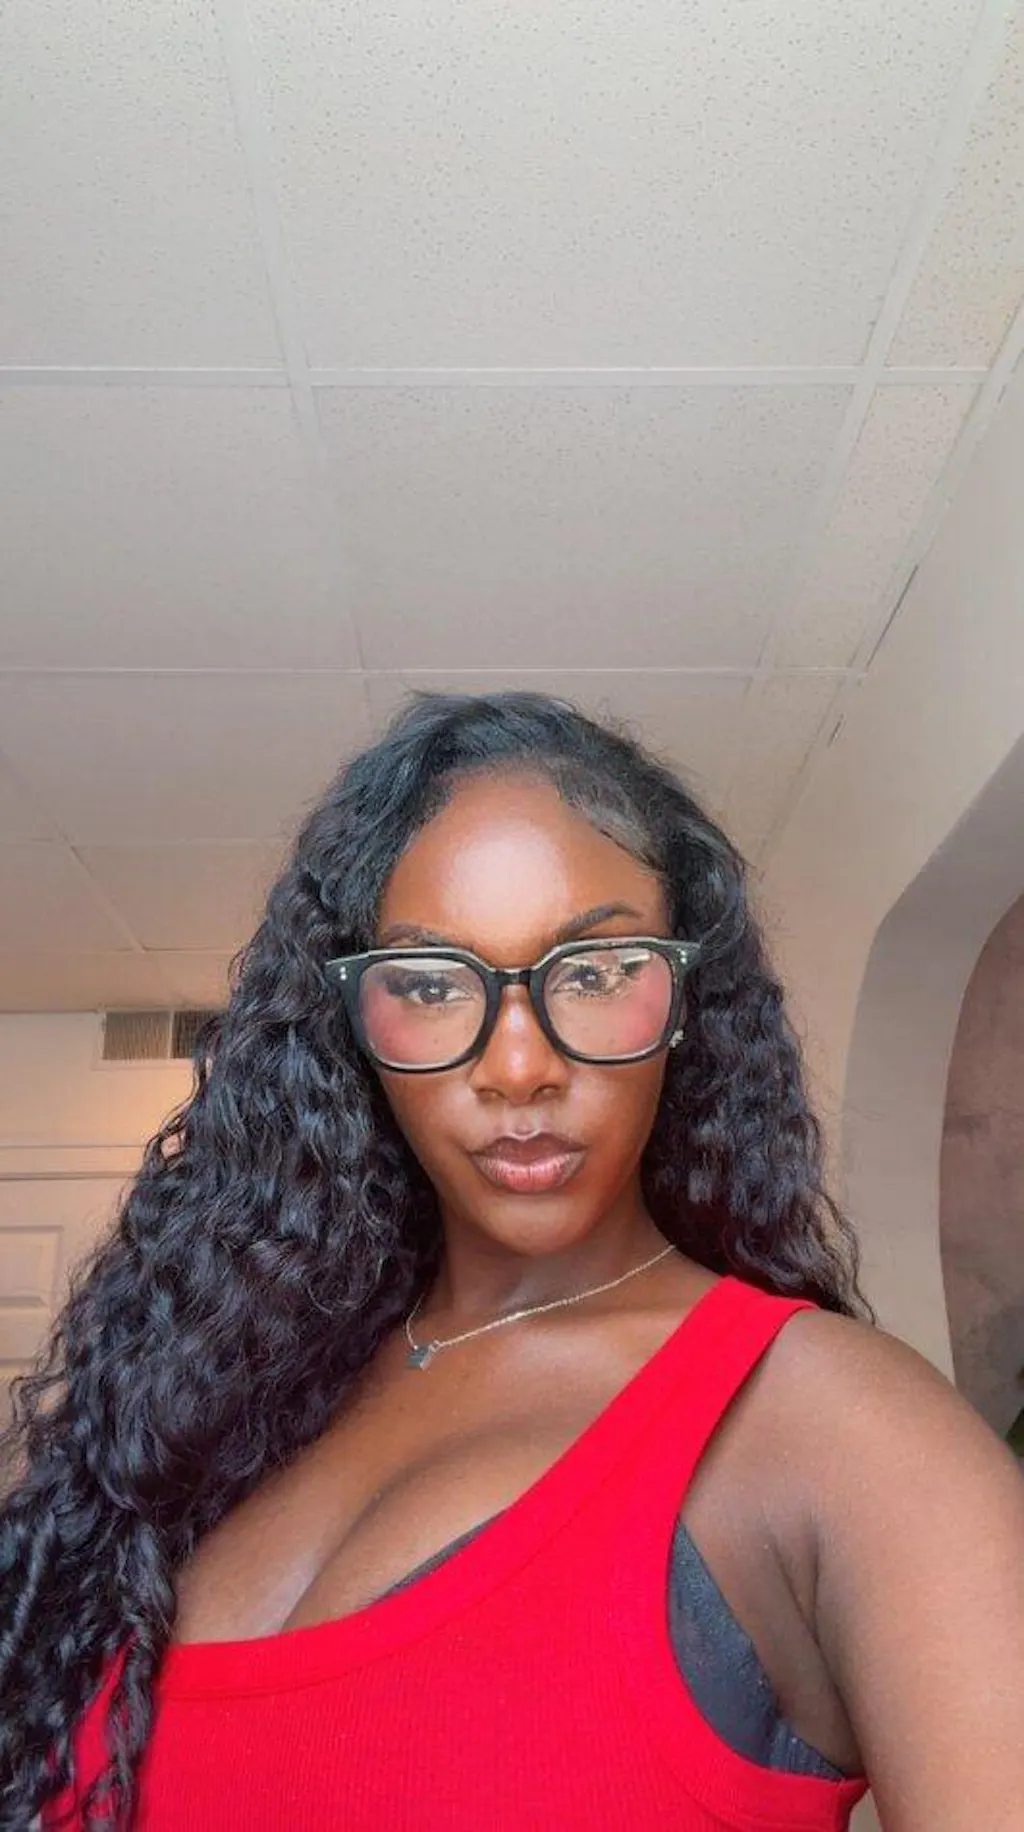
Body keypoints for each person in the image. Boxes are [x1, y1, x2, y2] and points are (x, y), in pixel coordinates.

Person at [3, 691, 1022, 1831]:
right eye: (432, 984)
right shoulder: (224, 1392)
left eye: (594, 969)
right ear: (353, 1025)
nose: (520, 1064)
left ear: (685, 999)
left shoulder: (840, 1433)